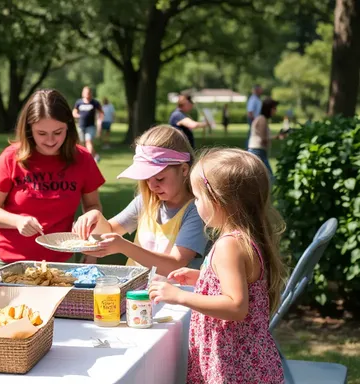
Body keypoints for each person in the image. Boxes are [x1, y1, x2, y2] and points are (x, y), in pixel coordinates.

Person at [148, 148, 287, 383]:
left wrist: (179, 296)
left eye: (198, 197)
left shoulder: (229, 246)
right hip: (246, 362)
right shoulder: (246, 237)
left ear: (218, 201)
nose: (195, 203)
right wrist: (202, 280)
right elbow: (243, 285)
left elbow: (236, 306)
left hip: (233, 366)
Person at [0, 89, 106, 273]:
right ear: (29, 129)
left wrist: (90, 225)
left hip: (61, 263)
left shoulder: (83, 158)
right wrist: (17, 221)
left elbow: (93, 206)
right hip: (9, 261)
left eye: (58, 132)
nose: (50, 140)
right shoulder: (11, 157)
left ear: (69, 127)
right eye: (41, 133)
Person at [74, 125, 208, 276]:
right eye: (146, 179)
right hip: (136, 294)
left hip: (174, 295)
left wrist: (124, 247)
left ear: (184, 170)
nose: (152, 186)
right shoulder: (146, 202)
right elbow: (110, 230)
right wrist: (95, 219)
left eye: (159, 178)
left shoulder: (196, 211)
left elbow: (174, 265)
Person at [247, 98, 284, 182]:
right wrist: (277, 137)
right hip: (258, 151)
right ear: (269, 109)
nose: (275, 111)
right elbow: (263, 139)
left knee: (259, 177)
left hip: (257, 150)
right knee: (269, 176)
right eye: (274, 108)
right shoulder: (262, 119)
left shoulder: (260, 118)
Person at [72, 86, 103, 162]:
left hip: (90, 126)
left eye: (88, 93)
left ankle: (89, 158)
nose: (87, 94)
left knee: (88, 141)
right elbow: (74, 112)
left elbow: (101, 112)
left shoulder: (95, 102)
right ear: (83, 93)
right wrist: (77, 115)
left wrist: (100, 121)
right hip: (81, 126)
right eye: (85, 92)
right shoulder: (79, 102)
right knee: (80, 143)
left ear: (91, 93)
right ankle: (95, 156)